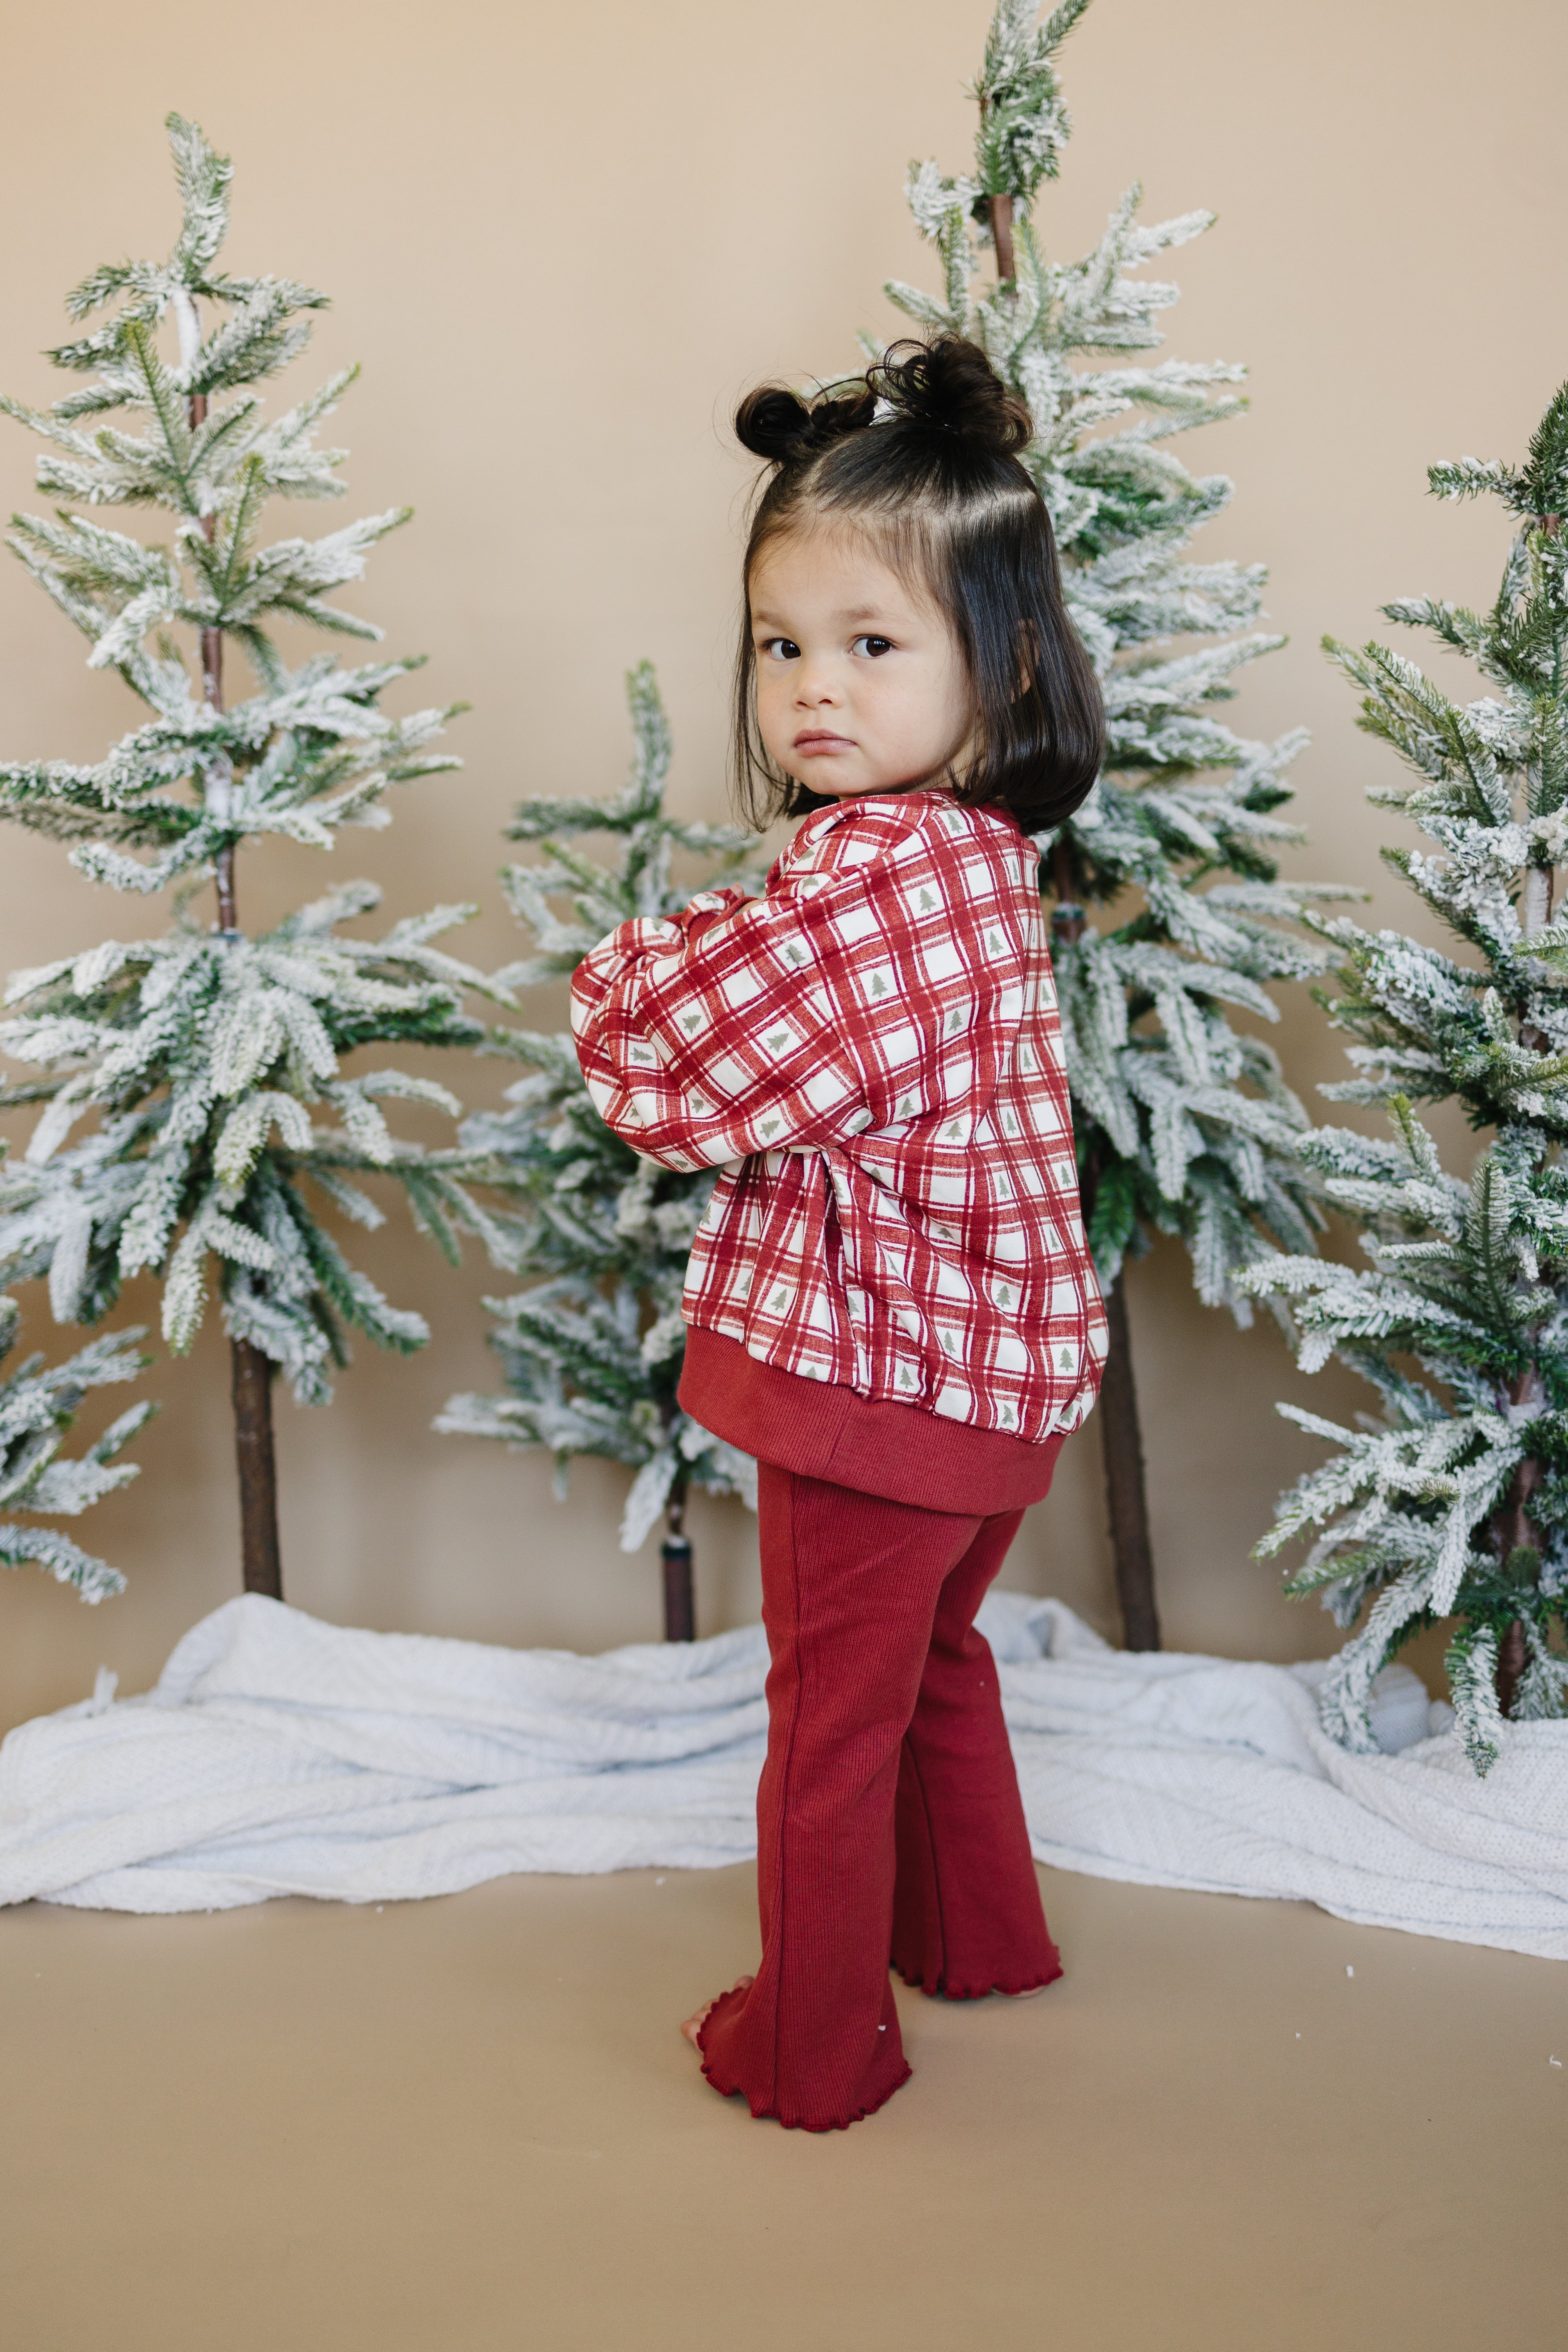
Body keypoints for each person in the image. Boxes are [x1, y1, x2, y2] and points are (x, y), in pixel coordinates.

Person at [570, 336, 1108, 2131]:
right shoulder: (971, 855)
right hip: (994, 1397)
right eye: (781, 644)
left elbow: (692, 1064)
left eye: (874, 646)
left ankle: (808, 2044)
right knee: (938, 1666)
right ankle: (982, 1940)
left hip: (875, 1389)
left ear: (1001, 660)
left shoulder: (874, 882)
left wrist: (634, 966)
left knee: (829, 1724)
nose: (814, 690)